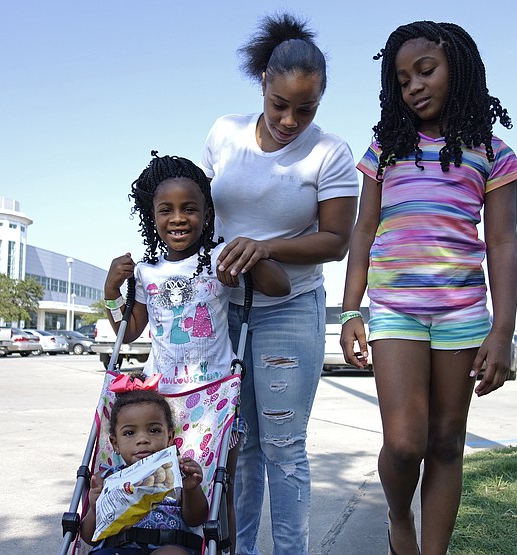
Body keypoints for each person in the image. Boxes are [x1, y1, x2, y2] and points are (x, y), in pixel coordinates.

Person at [338, 21, 517, 555]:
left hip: (462, 314)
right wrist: (352, 311)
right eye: (402, 79)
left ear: (459, 70)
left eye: (426, 71)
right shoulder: (386, 150)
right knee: (403, 443)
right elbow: (364, 229)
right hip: (396, 311)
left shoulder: (492, 152)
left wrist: (503, 331)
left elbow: (503, 244)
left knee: (445, 443)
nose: (414, 86)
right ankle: (400, 520)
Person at [199, 13, 359, 555]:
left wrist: (265, 246)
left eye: (306, 109)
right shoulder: (223, 133)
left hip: (289, 308)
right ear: (264, 83)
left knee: (284, 448)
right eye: (281, 105)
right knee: (239, 446)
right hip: (227, 308)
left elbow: (336, 239)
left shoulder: (331, 153)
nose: (291, 120)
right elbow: (202, 215)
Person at [103, 152, 291, 552]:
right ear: (150, 216)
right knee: (164, 486)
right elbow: (129, 330)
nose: (178, 218)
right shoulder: (145, 272)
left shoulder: (219, 258)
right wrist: (110, 293)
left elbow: (280, 288)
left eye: (189, 209)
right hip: (161, 403)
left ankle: (228, 550)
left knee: (220, 486)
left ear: (207, 214)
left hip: (216, 398)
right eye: (166, 210)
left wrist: (254, 256)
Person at [79, 372, 207, 555]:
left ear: (170, 437)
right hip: (119, 548)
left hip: (168, 546)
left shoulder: (178, 474)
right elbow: (87, 536)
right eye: (130, 433)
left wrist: (191, 489)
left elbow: (196, 519)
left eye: (154, 430)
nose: (143, 439)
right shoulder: (105, 479)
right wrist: (95, 508)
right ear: (115, 443)